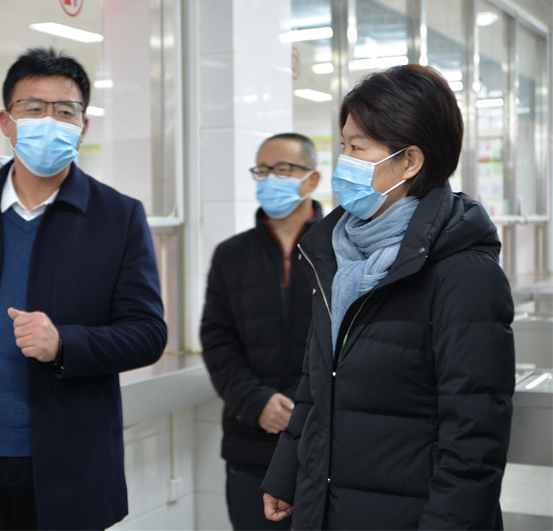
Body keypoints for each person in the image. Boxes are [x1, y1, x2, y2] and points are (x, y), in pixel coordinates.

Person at [0, 47, 167, 531]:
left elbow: (148, 333)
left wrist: (65, 344)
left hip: (67, 462)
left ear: (83, 127)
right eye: (33, 108)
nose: (49, 121)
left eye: (65, 111)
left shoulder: (118, 216)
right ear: (6, 122)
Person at [261, 64, 515, 529]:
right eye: (343, 146)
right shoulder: (336, 254)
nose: (344, 161)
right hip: (328, 507)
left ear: (410, 161)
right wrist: (286, 473)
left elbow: (473, 435)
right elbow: (318, 383)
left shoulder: (464, 273)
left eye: (358, 148)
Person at [201, 133, 322, 530]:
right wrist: (256, 403)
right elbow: (217, 341)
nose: (271, 178)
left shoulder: (343, 250)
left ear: (312, 179)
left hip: (324, 443)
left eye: (284, 169)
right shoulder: (231, 255)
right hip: (251, 443)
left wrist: (301, 406)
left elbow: (351, 344)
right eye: (263, 170)